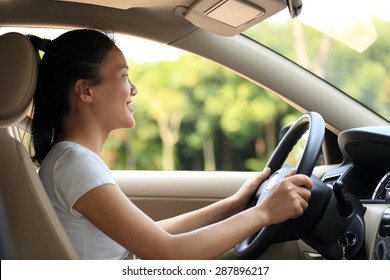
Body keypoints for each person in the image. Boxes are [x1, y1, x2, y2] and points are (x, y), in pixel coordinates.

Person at [29, 29, 313, 260]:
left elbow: (150, 236)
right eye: (124, 76)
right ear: (86, 91)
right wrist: (263, 212)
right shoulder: (75, 163)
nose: (134, 89)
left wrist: (234, 205)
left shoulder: (69, 159)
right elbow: (165, 252)